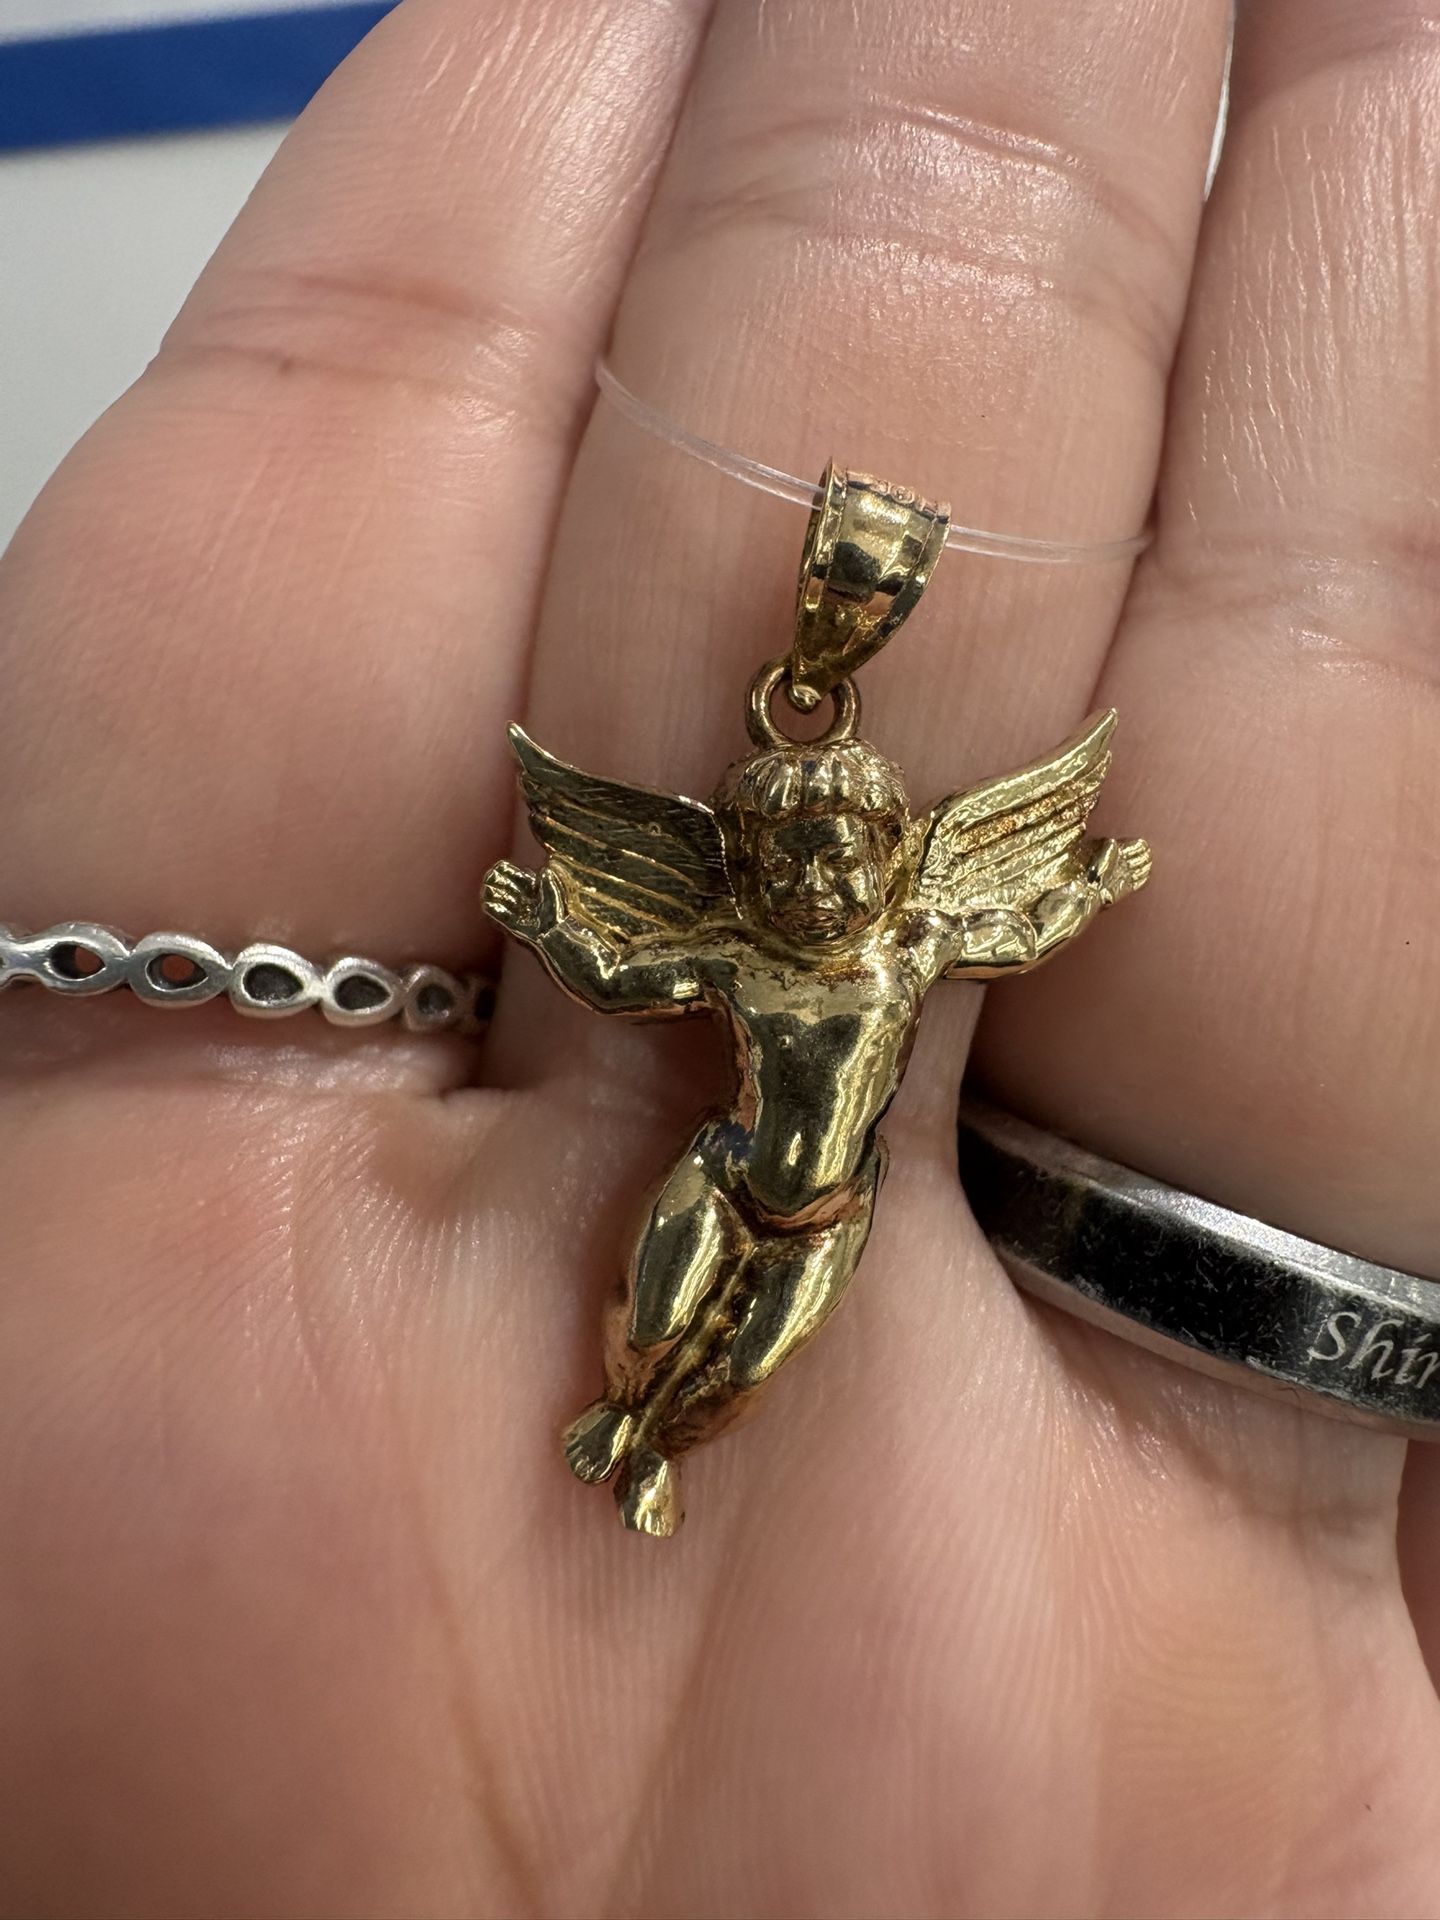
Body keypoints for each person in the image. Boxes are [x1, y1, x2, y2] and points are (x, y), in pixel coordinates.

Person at [2, 0, 1438, 1913]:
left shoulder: (911, 937)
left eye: (854, 844)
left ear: (889, 848)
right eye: (798, 847)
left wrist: (1095, 883)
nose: (832, 867)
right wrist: (549, 920)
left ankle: (655, 1444)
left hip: (834, 1218)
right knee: (649, 1306)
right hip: (721, 1166)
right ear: (756, 857)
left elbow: (1006, 916)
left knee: (739, 1360)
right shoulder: (750, 964)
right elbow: (634, 983)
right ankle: (627, 1416)